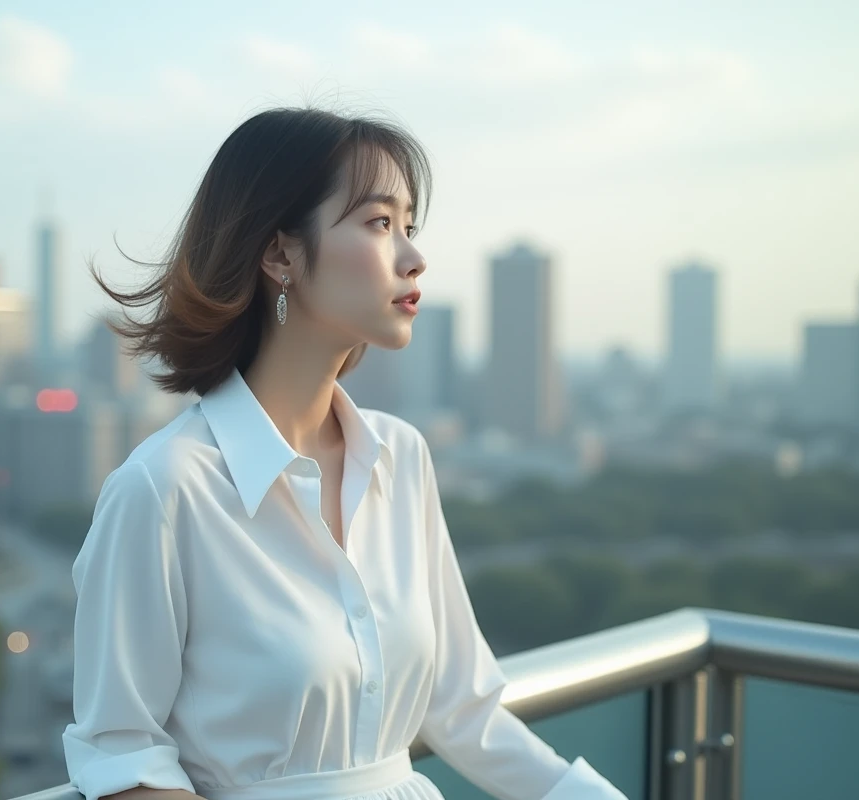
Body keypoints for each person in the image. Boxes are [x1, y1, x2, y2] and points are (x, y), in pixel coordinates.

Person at [62, 106, 627, 800]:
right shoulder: (164, 489)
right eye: (379, 223)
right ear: (279, 253)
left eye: (409, 226)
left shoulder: (402, 458)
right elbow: (123, 755)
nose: (414, 257)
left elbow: (462, 708)